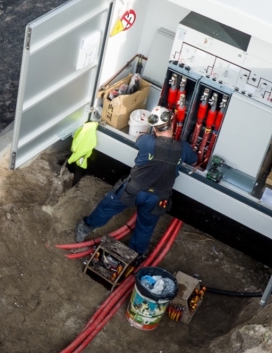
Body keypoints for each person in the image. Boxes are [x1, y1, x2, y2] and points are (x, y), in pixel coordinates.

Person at [75, 106, 197, 256]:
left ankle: (85, 228)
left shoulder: (147, 141)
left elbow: (139, 140)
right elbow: (193, 159)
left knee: (107, 208)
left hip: (133, 190)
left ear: (154, 128)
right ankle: (135, 254)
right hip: (158, 197)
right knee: (145, 226)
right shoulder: (184, 148)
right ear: (172, 124)